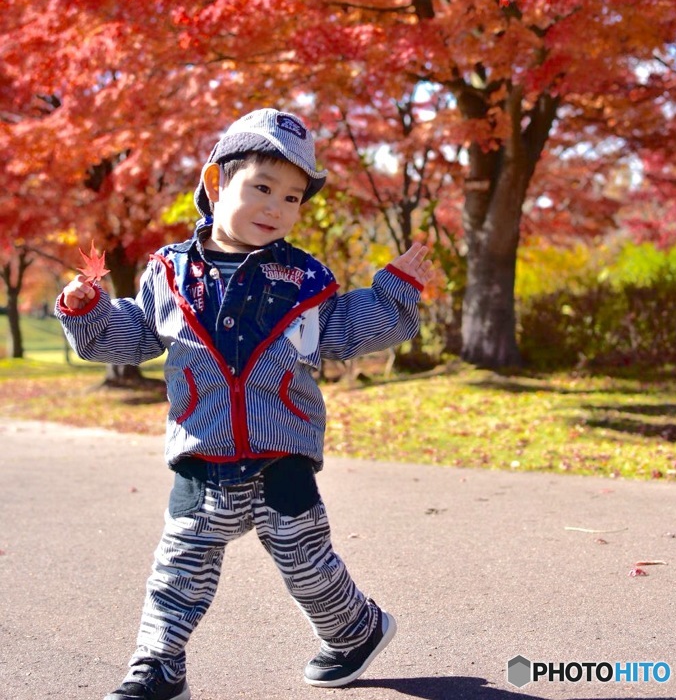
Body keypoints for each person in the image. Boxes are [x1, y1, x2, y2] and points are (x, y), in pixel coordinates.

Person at [57, 108, 433, 700]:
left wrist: (394, 293)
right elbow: (132, 333)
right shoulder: (170, 273)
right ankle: (158, 665)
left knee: (305, 562)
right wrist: (88, 312)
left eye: (291, 198)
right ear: (215, 184)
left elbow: (345, 329)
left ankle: (354, 630)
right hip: (201, 449)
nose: (275, 208)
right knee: (179, 569)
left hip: (281, 449)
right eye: (261, 188)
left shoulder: (305, 281)